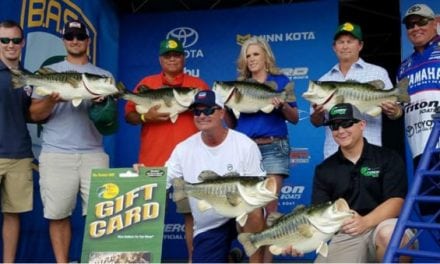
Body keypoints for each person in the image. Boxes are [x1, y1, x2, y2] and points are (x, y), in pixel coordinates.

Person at [29, 20, 111, 262]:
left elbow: (110, 123)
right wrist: (52, 100)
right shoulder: (50, 74)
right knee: (58, 215)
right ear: (64, 40)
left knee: (101, 215)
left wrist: (102, 105)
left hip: (94, 152)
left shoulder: (105, 76)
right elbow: (34, 115)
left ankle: (96, 260)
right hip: (56, 154)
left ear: (88, 40)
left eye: (80, 36)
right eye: (70, 36)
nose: (75, 40)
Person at [289, 103, 413, 262]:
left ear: (362, 124)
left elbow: (397, 202)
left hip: (383, 224)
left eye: (347, 123)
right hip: (347, 232)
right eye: (335, 126)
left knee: (390, 234)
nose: (341, 131)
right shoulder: (324, 169)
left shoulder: (388, 157)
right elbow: (317, 215)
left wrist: (365, 222)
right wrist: (299, 243)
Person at [124, 37, 209, 261]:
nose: (172, 59)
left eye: (177, 54)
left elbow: (213, 117)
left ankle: (193, 260)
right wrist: (146, 116)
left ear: (184, 57)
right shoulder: (147, 83)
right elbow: (130, 116)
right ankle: (142, 260)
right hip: (153, 160)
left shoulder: (198, 85)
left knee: (193, 217)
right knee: (146, 216)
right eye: (167, 55)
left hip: (190, 164)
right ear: (160, 59)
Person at [166, 90, 266, 263]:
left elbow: (257, 189)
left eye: (209, 110)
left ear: (222, 112)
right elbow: (162, 179)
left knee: (254, 212)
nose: (202, 115)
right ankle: (230, 258)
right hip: (209, 224)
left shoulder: (245, 145)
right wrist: (142, 174)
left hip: (241, 213)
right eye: (197, 111)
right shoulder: (183, 149)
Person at [231, 36, 298, 262]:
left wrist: (284, 106)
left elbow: (295, 118)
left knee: (270, 211)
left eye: (255, 54)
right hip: (245, 151)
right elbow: (232, 126)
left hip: (273, 147)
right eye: (247, 56)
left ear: (266, 56)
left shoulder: (280, 81)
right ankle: (254, 261)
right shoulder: (238, 85)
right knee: (247, 209)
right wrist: (228, 108)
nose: (251, 59)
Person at [310, 22, 402, 159]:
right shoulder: (324, 80)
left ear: (360, 45)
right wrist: (317, 115)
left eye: (350, 41)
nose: (345, 46)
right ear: (334, 47)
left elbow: (397, 112)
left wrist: (394, 111)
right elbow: (315, 122)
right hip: (334, 153)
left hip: (370, 151)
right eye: (341, 42)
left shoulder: (377, 73)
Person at [398, 3, 440, 218]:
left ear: (435, 23)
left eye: (421, 22)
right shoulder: (403, 67)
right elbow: (400, 109)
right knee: (433, 215)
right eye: (410, 25)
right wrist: (391, 110)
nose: (415, 28)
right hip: (420, 149)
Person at [0, 20, 34, 263]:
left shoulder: (30, 78)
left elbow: (31, 114)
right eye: (4, 40)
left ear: (22, 42)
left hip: (19, 153)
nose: (10, 45)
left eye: (15, 40)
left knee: (13, 215)